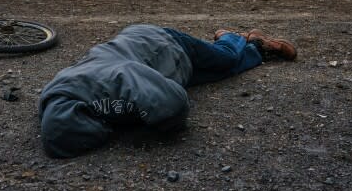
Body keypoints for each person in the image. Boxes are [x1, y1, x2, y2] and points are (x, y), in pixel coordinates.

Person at [38, 24, 297, 158]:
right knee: (222, 74)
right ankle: (258, 47)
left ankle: (231, 37)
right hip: (163, 66)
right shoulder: (58, 102)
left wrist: (147, 123)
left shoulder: (113, 78)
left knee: (225, 59)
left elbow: (173, 106)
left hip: (164, 43)